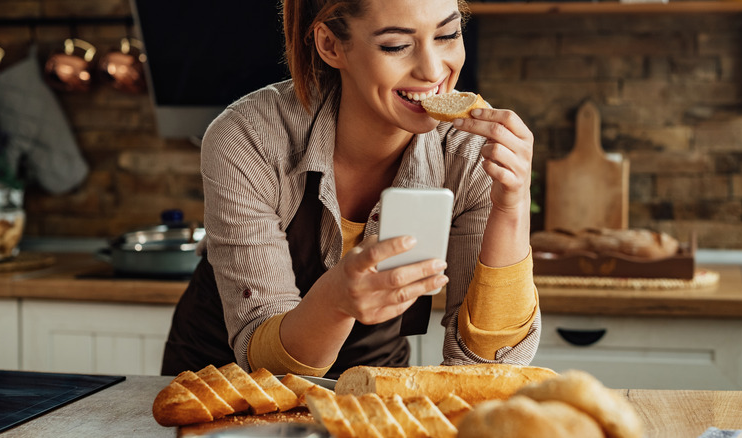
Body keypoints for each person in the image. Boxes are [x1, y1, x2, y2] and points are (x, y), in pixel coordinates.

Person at [161, 0, 540, 379]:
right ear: (330, 45)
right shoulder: (249, 137)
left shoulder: (472, 152)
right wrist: (336, 302)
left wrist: (512, 205)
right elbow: (266, 366)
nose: (432, 70)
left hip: (373, 378)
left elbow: (489, 367)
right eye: (396, 45)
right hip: (223, 382)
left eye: (447, 35)